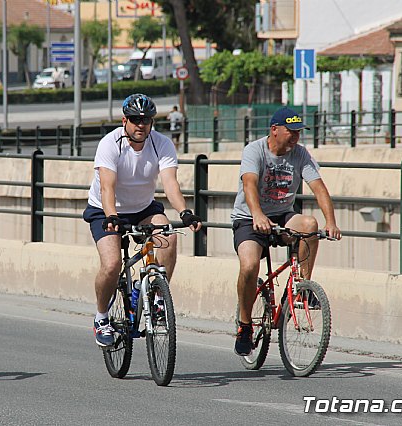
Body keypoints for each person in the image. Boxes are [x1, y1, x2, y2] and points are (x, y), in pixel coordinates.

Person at [83, 93, 202, 347]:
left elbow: (170, 184)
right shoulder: (110, 143)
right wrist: (111, 216)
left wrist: (184, 212)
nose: (141, 125)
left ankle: (157, 297)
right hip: (106, 209)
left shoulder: (161, 144)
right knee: (112, 264)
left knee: (168, 235)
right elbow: (107, 187)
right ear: (125, 120)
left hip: (143, 207)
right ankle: (102, 317)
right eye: (135, 120)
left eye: (146, 120)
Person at [231, 107, 342, 356]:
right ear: (274, 130)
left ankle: (301, 286)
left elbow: (319, 188)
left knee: (309, 224)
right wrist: (258, 215)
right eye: (290, 132)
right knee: (249, 266)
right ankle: (245, 325)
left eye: (298, 133)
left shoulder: (301, 154)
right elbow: (249, 183)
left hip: (281, 215)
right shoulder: (254, 150)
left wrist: (331, 221)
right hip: (249, 217)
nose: (295, 137)